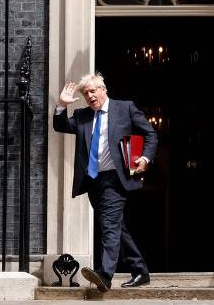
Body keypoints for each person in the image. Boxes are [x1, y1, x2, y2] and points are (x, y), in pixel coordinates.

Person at [53, 73, 157, 292]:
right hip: (93, 180)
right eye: (85, 93)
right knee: (116, 226)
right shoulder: (82, 115)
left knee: (109, 226)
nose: (90, 96)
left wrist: (145, 159)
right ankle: (140, 270)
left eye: (93, 91)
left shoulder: (125, 108)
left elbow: (150, 134)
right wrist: (62, 104)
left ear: (103, 89)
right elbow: (60, 126)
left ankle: (105, 275)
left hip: (115, 178)